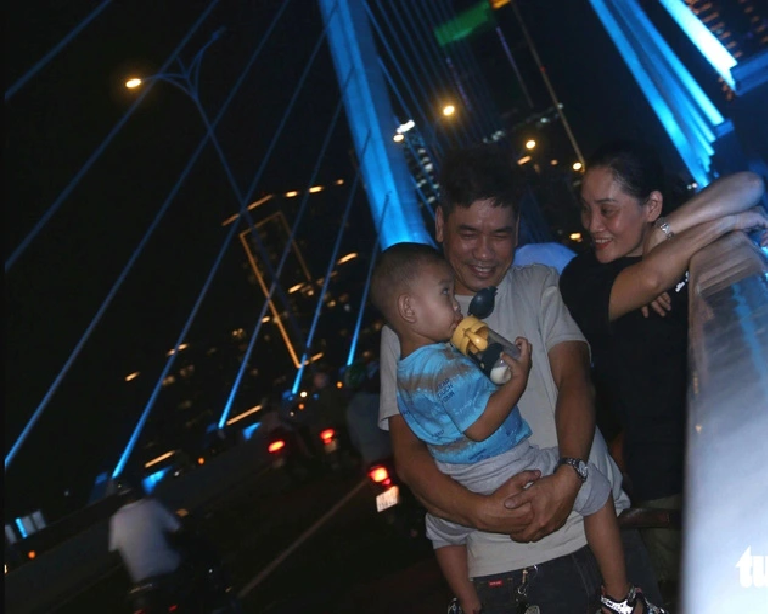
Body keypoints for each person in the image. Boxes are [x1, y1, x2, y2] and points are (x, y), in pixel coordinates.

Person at [378, 145, 662, 613]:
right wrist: (478, 512)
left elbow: (574, 382)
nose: (485, 254)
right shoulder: (405, 333)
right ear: (439, 224)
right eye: (469, 234)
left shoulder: (539, 285)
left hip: (603, 536)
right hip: (505, 573)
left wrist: (569, 475)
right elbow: (408, 458)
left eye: (501, 235)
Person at [559, 140, 767, 588]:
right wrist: (726, 224)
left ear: (651, 205)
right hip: (668, 489)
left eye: (607, 210)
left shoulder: (683, 239)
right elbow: (652, 278)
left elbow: (749, 183)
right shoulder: (584, 279)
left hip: (747, 446)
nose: (593, 226)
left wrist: (668, 231)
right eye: (586, 210)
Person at [108, 477, 183, 584]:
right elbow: (178, 529)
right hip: (169, 568)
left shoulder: (116, 519)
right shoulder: (152, 505)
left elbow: (115, 551)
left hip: (140, 578)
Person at [344, 362, 392, 464]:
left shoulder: (350, 409)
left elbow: (354, 439)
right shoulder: (379, 400)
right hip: (391, 452)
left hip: (370, 457)